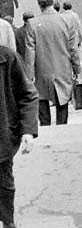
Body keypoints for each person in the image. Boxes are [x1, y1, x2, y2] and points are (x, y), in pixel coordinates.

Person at [25, 0, 81, 126]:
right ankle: (61, 129)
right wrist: (76, 69)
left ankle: (46, 129)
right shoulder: (67, 21)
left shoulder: (32, 24)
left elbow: (30, 54)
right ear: (53, 2)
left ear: (40, 5)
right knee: (62, 104)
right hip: (62, 70)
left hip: (42, 73)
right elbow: (73, 49)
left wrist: (29, 77)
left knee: (42, 104)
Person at [0, 43, 38, 228]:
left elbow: (27, 94)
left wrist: (27, 130)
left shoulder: (7, 58)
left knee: (4, 185)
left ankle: (8, 222)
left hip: (2, 141)